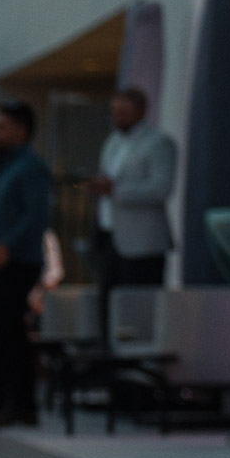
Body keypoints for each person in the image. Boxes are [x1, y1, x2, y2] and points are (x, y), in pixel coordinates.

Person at [0, 100, 53, 429]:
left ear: (21, 131)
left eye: (1, 127)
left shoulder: (30, 167)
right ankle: (22, 405)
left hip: (17, 261)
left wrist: (8, 244)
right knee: (12, 333)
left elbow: (36, 215)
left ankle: (2, 404)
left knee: (3, 333)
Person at [88, 86, 177, 343]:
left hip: (142, 242)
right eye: (115, 111)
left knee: (137, 308)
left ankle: (136, 358)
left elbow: (160, 188)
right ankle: (109, 356)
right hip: (110, 235)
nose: (118, 116)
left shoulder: (158, 143)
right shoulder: (113, 142)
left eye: (124, 111)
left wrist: (116, 189)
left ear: (141, 111)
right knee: (108, 305)